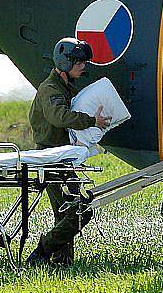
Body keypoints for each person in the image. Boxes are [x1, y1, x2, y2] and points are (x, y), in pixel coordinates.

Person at [25, 37, 112, 267]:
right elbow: (59, 117)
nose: (83, 66)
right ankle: (44, 253)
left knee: (71, 211)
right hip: (52, 158)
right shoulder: (50, 89)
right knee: (74, 210)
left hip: (61, 157)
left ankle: (61, 261)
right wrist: (92, 121)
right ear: (64, 63)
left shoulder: (63, 87)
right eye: (79, 62)